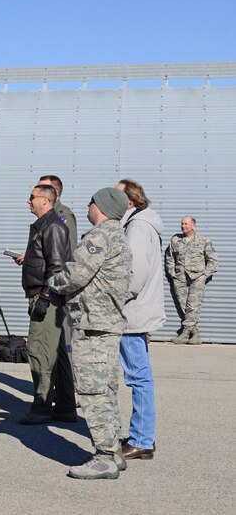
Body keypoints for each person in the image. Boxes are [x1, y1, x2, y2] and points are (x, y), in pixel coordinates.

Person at [48, 187, 132, 479]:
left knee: (93, 391)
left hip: (93, 323)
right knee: (106, 390)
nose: (88, 205)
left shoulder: (100, 236)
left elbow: (75, 274)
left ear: (104, 206)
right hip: (105, 323)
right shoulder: (118, 235)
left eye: (92, 201)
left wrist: (53, 282)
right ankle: (114, 451)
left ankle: (105, 457)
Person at [17, 183, 76, 425]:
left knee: (39, 351)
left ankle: (41, 405)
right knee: (57, 351)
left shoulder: (52, 226)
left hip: (47, 299)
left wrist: (43, 298)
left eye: (31, 197)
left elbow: (56, 267)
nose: (28, 201)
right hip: (45, 296)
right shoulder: (44, 225)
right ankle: (65, 407)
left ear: (45, 200)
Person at [116, 180, 165, 460]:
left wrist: (112, 298)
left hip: (132, 312)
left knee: (138, 377)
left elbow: (133, 276)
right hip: (136, 310)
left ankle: (142, 439)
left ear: (130, 201)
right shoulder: (138, 223)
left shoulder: (137, 226)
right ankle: (142, 436)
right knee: (140, 376)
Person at [166, 216, 219, 344]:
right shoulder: (175, 240)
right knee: (184, 305)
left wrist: (204, 275)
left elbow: (213, 260)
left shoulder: (203, 241)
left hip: (197, 278)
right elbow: (170, 258)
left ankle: (185, 334)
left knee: (193, 306)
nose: (183, 226)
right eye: (182, 223)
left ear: (193, 226)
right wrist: (172, 273)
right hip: (180, 278)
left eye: (186, 224)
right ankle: (195, 334)